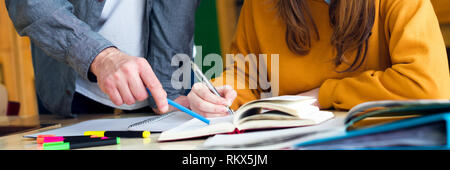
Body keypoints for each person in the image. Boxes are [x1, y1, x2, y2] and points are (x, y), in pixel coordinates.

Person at [187, 0, 450, 117]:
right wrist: (217, 93)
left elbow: (428, 87)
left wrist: (323, 94)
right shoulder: (261, 4)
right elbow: (245, 75)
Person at [6, 0, 199, 117]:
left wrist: (168, 91)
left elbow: (178, 9)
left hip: (164, 80)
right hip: (70, 81)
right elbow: (29, 3)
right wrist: (102, 57)